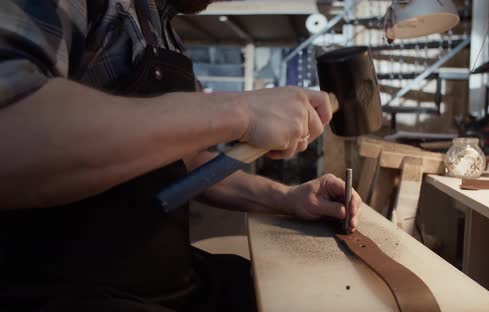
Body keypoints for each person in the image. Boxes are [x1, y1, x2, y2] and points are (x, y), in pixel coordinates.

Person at [0, 0, 363, 311]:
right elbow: (11, 130)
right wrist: (241, 113)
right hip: (59, 289)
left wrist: (286, 197)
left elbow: (185, 163)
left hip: (166, 283)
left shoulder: (162, 30)